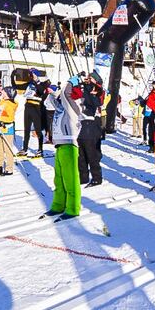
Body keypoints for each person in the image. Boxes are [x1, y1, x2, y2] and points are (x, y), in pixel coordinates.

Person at [46, 75, 84, 218]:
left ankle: (73, 208)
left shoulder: (74, 106)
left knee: (70, 179)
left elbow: (65, 94)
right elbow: (52, 100)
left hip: (69, 145)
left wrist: (72, 81)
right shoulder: (62, 107)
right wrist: (50, 90)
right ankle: (58, 205)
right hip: (60, 145)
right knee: (59, 179)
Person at [78, 70, 105, 187]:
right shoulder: (86, 89)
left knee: (92, 153)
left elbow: (94, 102)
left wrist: (89, 86)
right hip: (81, 124)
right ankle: (83, 176)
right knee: (81, 154)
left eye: (91, 78)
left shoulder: (98, 92)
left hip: (92, 126)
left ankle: (96, 177)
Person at [18, 69, 50, 157]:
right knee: (26, 129)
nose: (30, 76)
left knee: (38, 129)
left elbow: (40, 91)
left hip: (36, 107)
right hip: (27, 106)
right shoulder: (29, 84)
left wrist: (37, 81)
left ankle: (40, 149)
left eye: (32, 74)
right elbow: (18, 86)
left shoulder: (41, 84)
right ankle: (24, 149)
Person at [0, 86, 18, 176]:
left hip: (7, 129)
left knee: (8, 149)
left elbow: (9, 117)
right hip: (1, 128)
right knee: (0, 148)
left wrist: (1, 120)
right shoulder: (3, 102)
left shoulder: (10, 104)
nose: (2, 92)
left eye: (4, 92)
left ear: (8, 94)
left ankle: (9, 168)